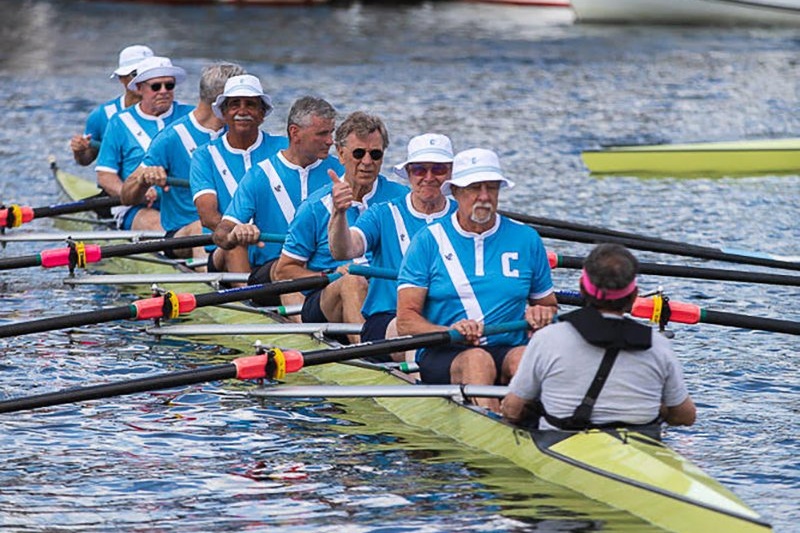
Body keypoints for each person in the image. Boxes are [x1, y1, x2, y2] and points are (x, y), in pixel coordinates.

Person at [396, 148, 558, 411]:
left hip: (509, 347)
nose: (484, 197)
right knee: (478, 361)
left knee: (527, 359)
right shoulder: (428, 240)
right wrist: (449, 332)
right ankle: (497, 425)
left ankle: (526, 421)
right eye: (474, 188)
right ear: (456, 192)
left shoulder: (526, 239)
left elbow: (549, 305)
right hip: (445, 352)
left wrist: (542, 313)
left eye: (491, 188)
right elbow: (405, 321)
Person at [502, 243, 697, 430]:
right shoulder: (658, 345)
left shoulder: (547, 338)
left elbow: (512, 410)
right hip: (638, 445)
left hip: (561, 442)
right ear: (633, 296)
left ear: (581, 289)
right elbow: (686, 417)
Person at [274, 111, 409, 342]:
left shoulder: (402, 198)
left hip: (383, 300)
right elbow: (283, 270)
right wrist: (328, 274)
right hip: (327, 300)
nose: (367, 162)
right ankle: (369, 355)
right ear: (341, 154)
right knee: (352, 280)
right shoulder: (315, 207)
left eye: (375, 154)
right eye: (358, 153)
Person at [328, 132, 457, 360]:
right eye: (419, 170)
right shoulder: (383, 214)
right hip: (389, 319)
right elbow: (344, 250)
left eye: (438, 170)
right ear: (408, 173)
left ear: (450, 173)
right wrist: (339, 213)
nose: (428, 177)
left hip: (448, 318)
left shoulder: (462, 216)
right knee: (411, 332)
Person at [213, 96, 342, 305]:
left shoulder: (339, 171)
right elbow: (221, 233)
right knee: (287, 273)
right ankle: (307, 330)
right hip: (273, 274)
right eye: (322, 134)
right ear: (295, 133)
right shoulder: (260, 175)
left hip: (329, 274)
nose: (330, 141)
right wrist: (235, 233)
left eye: (331, 133)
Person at [120, 62, 246, 260]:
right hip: (184, 235)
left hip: (232, 230)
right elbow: (127, 197)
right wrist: (143, 179)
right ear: (222, 100)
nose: (246, 108)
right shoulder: (170, 138)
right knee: (201, 228)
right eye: (241, 99)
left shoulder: (241, 134)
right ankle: (211, 283)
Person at [190, 74, 287, 273]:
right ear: (224, 114)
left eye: (250, 105)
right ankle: (246, 299)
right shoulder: (205, 155)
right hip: (224, 248)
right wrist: (239, 231)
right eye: (235, 104)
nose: (242, 111)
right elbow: (208, 216)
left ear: (262, 113)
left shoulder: (284, 148)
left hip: (276, 250)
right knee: (235, 239)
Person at [95, 55, 194, 231]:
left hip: (186, 204)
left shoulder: (191, 116)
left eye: (169, 85)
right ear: (140, 88)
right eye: (156, 86)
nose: (163, 91)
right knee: (161, 226)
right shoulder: (119, 122)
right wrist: (136, 191)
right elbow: (105, 176)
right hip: (138, 207)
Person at [70, 44, 154, 167]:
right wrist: (79, 151)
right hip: (119, 185)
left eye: (148, 74)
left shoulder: (173, 112)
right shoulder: (101, 115)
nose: (142, 80)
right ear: (121, 78)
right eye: (135, 74)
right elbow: (85, 160)